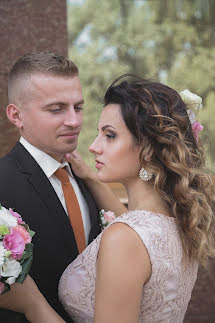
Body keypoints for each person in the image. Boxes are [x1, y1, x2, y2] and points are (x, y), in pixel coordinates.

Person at [1, 74, 215, 322]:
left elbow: (128, 237)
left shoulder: (125, 239)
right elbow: (134, 229)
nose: (93, 146)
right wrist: (92, 179)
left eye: (109, 135)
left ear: (148, 149)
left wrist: (34, 306)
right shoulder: (175, 223)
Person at [0, 52, 126, 323]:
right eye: (56, 109)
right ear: (16, 115)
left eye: (78, 107)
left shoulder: (86, 176)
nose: (74, 121)